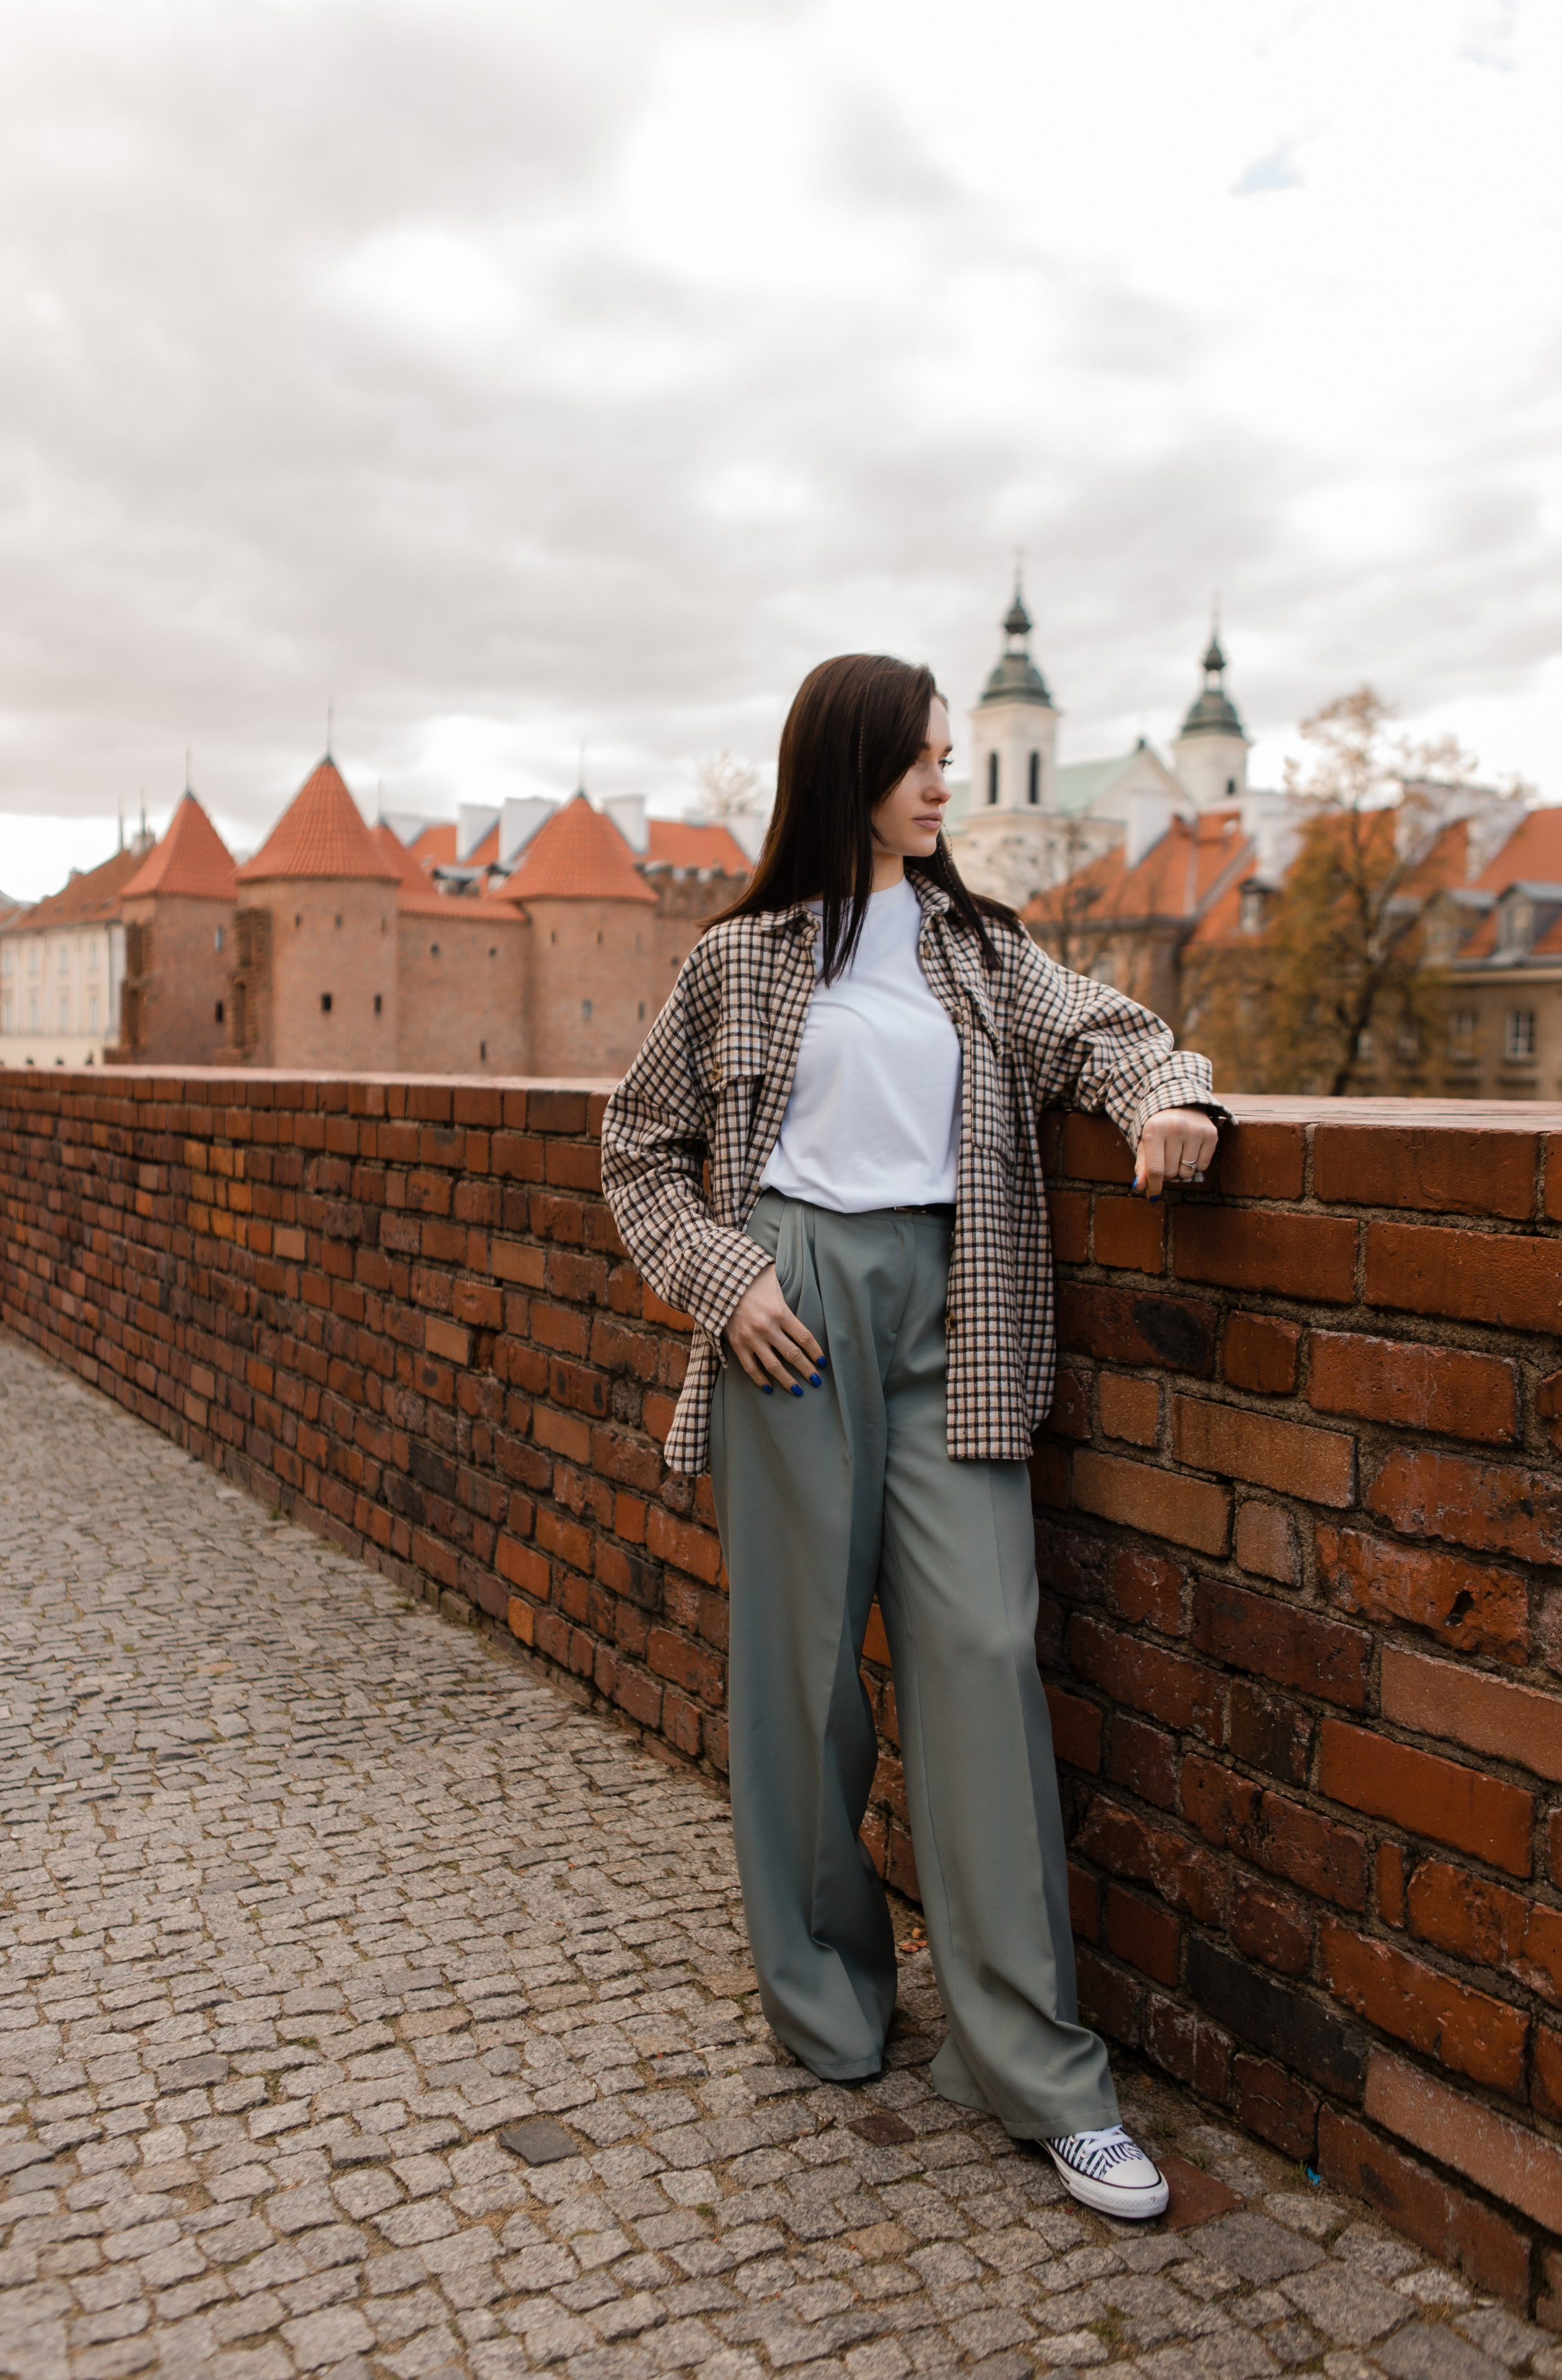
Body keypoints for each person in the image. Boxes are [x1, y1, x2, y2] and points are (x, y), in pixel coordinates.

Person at [601, 653, 1223, 2222]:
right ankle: (825, 2000)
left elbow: (1110, 1033)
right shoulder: (735, 962)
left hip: (957, 1314)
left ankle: (1034, 2068)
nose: (949, 784)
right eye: (924, 760)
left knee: (978, 1653)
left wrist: (1172, 1101)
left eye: (955, 758)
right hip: (790, 1310)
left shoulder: (983, 952)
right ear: (848, 768)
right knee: (801, 1669)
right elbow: (635, 1145)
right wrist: (724, 1276)